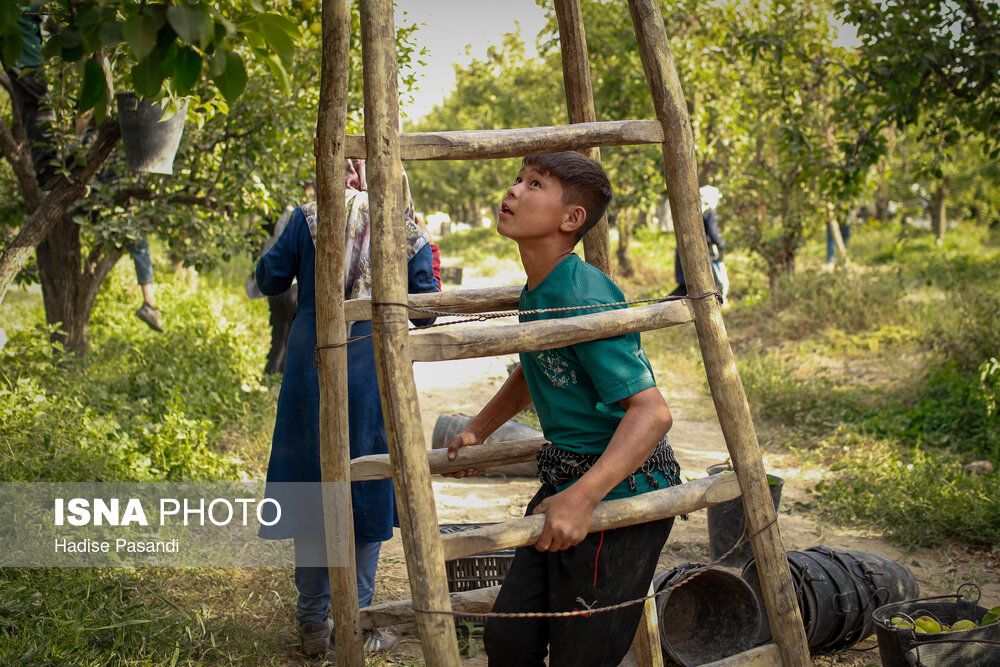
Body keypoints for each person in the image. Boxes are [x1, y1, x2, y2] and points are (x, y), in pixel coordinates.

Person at [446, 152, 680, 666]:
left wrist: (581, 499)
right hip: (566, 480)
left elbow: (652, 413)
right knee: (510, 640)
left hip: (620, 491)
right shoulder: (539, 288)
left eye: (535, 184)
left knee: (582, 656)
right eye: (518, 179)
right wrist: (480, 429)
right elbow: (536, 365)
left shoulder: (581, 292)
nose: (513, 190)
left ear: (572, 218)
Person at [255, 159, 438, 656]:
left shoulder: (308, 218)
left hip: (310, 369)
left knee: (311, 481)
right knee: (366, 483)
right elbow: (427, 309)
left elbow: (269, 279)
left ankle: (313, 623)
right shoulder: (402, 227)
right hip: (371, 370)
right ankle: (355, 621)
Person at [670, 185, 726, 300]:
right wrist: (721, 245)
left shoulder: (692, 210)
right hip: (697, 253)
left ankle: (663, 304)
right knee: (694, 285)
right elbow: (713, 232)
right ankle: (662, 305)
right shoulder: (708, 211)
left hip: (684, 249)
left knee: (686, 286)